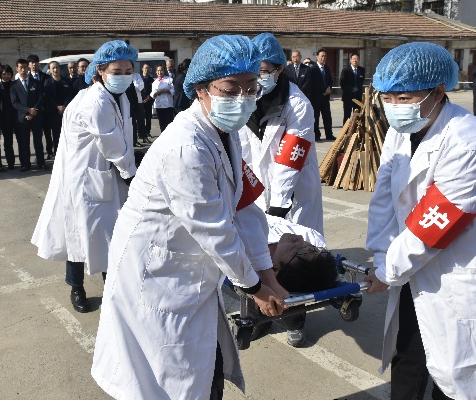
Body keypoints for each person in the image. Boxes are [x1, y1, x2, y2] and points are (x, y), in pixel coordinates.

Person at [90, 34, 286, 400]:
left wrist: (267, 273)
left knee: (202, 367)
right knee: (168, 377)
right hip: (156, 272)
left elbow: (244, 209)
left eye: (251, 88)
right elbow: (215, 232)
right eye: (231, 89)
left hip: (187, 268)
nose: (243, 99)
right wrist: (256, 289)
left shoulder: (227, 131)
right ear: (201, 88)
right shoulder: (185, 147)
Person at [364, 42, 476, 400]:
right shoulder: (400, 132)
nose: (394, 107)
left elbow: (432, 227)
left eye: (404, 98)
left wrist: (387, 272)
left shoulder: (469, 145)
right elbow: (385, 199)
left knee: (464, 379)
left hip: (466, 276)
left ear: (439, 92)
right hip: (414, 267)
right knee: (408, 355)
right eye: (388, 98)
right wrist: (380, 254)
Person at [31, 40, 138, 314]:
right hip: (85, 179)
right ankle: (76, 287)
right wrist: (133, 177)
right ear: (100, 70)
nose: (123, 76)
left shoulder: (119, 96)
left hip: (105, 174)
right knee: (80, 234)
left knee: (110, 235)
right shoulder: (94, 101)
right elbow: (112, 145)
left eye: (128, 71)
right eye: (117, 71)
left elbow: (122, 138)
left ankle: (113, 287)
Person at [239, 32, 324, 347]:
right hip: (256, 193)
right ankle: (258, 317)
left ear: (279, 69)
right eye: (254, 71)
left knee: (291, 262)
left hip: (292, 195)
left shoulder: (297, 105)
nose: (259, 77)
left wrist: (278, 206)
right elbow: (239, 150)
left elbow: (290, 159)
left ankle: (295, 318)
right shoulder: (244, 98)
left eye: (264, 71)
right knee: (255, 258)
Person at [10, 58, 47, 171]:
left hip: (36, 115)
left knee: (38, 141)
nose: (23, 70)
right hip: (22, 117)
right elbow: (15, 102)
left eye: (25, 67)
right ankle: (25, 164)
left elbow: (40, 98)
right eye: (21, 67)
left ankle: (41, 162)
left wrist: (33, 111)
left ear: (28, 68)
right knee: (24, 142)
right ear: (17, 69)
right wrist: (27, 110)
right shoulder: (13, 85)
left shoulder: (36, 83)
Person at [43, 61, 74, 157]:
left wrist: (64, 106)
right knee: (56, 135)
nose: (55, 70)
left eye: (57, 67)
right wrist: (57, 106)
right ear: (50, 70)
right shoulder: (47, 82)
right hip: (54, 112)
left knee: (67, 134)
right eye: (53, 68)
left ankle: (68, 154)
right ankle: (58, 155)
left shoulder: (67, 81)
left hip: (66, 111)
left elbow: (70, 95)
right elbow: (48, 97)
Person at [0, 65, 17, 169]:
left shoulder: (16, 85)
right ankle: (10, 162)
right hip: (4, 117)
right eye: (4, 74)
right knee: (8, 141)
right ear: (0, 74)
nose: (6, 76)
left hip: (17, 116)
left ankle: (24, 161)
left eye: (8, 74)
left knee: (21, 140)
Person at [314, 49, 335, 140]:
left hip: (326, 97)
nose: (323, 58)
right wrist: (323, 90)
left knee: (327, 117)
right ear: (317, 57)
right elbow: (314, 82)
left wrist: (329, 88)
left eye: (325, 56)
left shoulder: (327, 68)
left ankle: (329, 134)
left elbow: (330, 80)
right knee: (316, 117)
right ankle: (316, 135)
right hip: (316, 97)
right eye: (322, 56)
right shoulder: (313, 69)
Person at [339, 53, 365, 123]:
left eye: (357, 59)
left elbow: (361, 82)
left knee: (357, 115)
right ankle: (346, 129)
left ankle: (356, 129)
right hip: (348, 96)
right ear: (350, 60)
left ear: (359, 60)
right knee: (347, 115)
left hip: (358, 96)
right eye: (353, 59)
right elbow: (342, 83)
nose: (355, 61)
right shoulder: (345, 70)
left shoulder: (362, 70)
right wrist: (349, 90)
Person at [150, 64, 174, 132]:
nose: (159, 72)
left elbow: (173, 91)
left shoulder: (169, 80)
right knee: (162, 124)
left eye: (161, 70)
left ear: (164, 71)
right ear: (156, 72)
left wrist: (166, 91)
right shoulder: (154, 82)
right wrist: (156, 93)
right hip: (159, 105)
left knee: (169, 123)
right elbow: (152, 94)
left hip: (168, 105)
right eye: (158, 70)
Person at [140, 63, 154, 140]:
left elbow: (153, 90)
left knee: (148, 117)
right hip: (141, 100)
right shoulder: (139, 78)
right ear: (142, 69)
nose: (146, 70)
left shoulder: (151, 79)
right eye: (145, 68)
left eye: (148, 68)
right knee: (141, 117)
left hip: (148, 100)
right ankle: (141, 132)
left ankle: (148, 131)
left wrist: (149, 97)